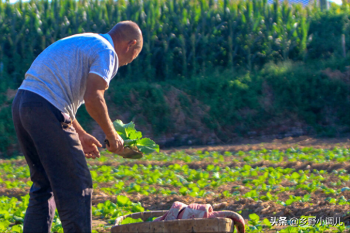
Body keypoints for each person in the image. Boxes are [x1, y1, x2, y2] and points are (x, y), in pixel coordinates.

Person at [11, 21, 143, 232]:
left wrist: (80, 134)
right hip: (45, 110)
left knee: (43, 186)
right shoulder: (107, 51)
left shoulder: (87, 40)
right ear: (130, 45)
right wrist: (112, 135)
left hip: (23, 104)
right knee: (78, 185)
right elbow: (93, 97)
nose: (127, 62)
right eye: (133, 57)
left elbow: (57, 94)